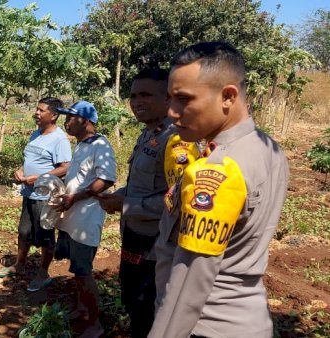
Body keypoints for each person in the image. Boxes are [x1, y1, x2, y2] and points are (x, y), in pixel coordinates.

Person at [148, 42, 289, 338]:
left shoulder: (217, 170)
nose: (172, 113)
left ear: (228, 96)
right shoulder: (268, 149)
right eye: (170, 99)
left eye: (183, 100)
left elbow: (189, 283)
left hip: (203, 326)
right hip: (248, 320)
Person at [97, 69, 198, 338]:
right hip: (134, 237)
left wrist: (127, 204)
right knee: (132, 300)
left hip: (156, 244)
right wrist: (120, 195)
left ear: (168, 98)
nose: (136, 101)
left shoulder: (177, 141)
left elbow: (179, 199)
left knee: (149, 308)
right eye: (132, 95)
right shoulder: (148, 134)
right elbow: (144, 184)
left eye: (145, 94)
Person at [52, 101, 116, 338]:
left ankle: (95, 325)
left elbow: (106, 179)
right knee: (77, 270)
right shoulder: (81, 146)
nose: (66, 122)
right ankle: (81, 308)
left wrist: (76, 197)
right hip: (73, 217)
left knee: (83, 271)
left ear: (86, 121)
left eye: (71, 118)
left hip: (87, 218)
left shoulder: (101, 145)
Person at [0, 97, 72, 292]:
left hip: (46, 196)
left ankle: (43, 273)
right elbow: (30, 159)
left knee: (45, 235)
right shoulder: (36, 134)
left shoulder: (59, 139)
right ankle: (19, 264)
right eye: (36, 109)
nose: (36, 113)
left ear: (54, 115)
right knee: (24, 231)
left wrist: (39, 177)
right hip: (29, 192)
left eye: (41, 110)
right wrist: (21, 171)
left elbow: (65, 167)